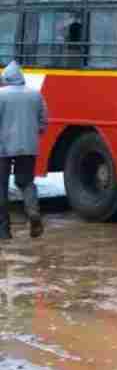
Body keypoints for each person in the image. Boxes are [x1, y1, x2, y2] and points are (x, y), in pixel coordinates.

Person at [0, 62, 47, 240]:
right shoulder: (35, 94)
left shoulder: (1, 95)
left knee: (1, 186)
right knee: (26, 182)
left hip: (3, 147)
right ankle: (34, 214)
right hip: (28, 146)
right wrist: (34, 133)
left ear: (6, 78)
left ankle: (4, 231)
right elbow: (43, 120)